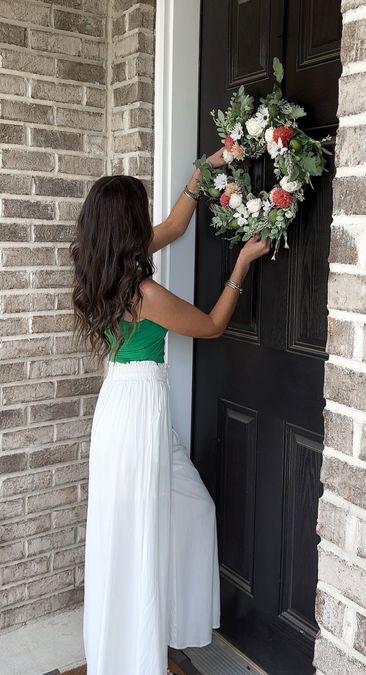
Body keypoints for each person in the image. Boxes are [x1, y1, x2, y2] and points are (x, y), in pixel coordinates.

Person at [69, 147, 271, 675]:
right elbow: (209, 326)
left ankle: (166, 627)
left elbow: (174, 226)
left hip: (128, 405)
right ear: (127, 227)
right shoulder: (143, 291)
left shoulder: (103, 264)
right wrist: (242, 265)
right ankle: (134, 659)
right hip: (136, 414)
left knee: (188, 510)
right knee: (136, 534)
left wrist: (200, 176)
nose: (147, 223)